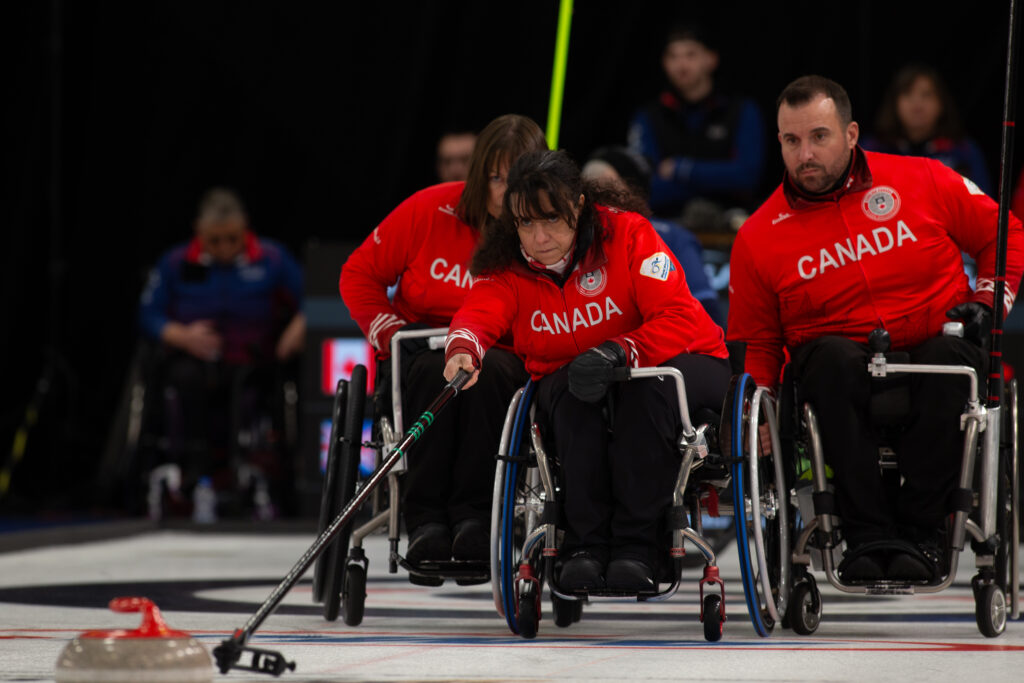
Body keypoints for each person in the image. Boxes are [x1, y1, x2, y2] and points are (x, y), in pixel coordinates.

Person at [727, 75, 1024, 583]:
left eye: (819, 136)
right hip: (838, 371)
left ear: (851, 134)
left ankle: (924, 532)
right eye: (791, 141)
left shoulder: (925, 178)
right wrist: (758, 413)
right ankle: (866, 534)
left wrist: (988, 302)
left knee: (951, 359)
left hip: (934, 350)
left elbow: (1006, 236)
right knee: (830, 359)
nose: (805, 155)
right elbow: (758, 343)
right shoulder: (757, 237)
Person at [444, 149, 730, 592]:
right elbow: (478, 313)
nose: (538, 237)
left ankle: (638, 547)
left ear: (578, 207)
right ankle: (583, 547)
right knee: (568, 397)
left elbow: (678, 316)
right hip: (575, 374)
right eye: (525, 223)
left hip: (677, 361)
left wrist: (622, 350)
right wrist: (464, 349)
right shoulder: (508, 264)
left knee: (643, 391)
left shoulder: (628, 233)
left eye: (552, 220)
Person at [339, 114, 546, 580]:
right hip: (422, 353)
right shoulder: (428, 211)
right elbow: (358, 274)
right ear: (477, 177)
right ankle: (427, 520)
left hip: (504, 359)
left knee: (488, 372)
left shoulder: (544, 231)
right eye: (494, 177)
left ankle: (476, 517)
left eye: (515, 178)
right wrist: (386, 327)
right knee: (434, 371)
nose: (503, 191)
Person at [138, 187, 305, 511]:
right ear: (199, 232)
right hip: (193, 359)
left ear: (244, 229)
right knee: (185, 377)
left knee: (248, 383)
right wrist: (180, 335)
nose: (224, 248)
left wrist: (296, 329)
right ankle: (196, 464)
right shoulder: (176, 261)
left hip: (253, 361)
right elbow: (148, 314)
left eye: (232, 238)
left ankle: (246, 468)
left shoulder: (272, 257)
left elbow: (314, 298)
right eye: (214, 240)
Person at [627, 23, 764, 230]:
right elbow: (642, 188)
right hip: (666, 228)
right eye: (673, 56)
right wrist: (717, 182)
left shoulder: (742, 110)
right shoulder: (648, 116)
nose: (681, 65)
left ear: (711, 59)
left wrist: (681, 169)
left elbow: (747, 177)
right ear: (664, 62)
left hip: (732, 227)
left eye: (690, 55)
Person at [581, 145, 726, 327]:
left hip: (660, 347)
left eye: (605, 189)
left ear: (630, 193)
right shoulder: (564, 241)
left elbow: (707, 315)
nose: (596, 201)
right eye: (588, 188)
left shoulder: (671, 237)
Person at [862, 64, 993, 195]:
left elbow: (982, 202)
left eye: (926, 95)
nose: (917, 104)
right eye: (907, 94)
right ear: (894, 103)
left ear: (941, 103)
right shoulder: (871, 150)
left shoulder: (963, 151)